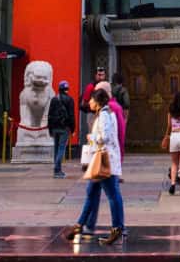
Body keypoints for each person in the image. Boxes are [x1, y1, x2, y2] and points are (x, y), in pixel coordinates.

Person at [71, 84, 125, 244]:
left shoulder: (105, 115)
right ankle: (79, 225)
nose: (90, 103)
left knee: (112, 195)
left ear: (98, 101)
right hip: (102, 160)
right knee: (92, 192)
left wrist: (92, 138)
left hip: (105, 161)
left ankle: (117, 228)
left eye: (92, 100)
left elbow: (105, 137)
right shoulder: (104, 113)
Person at [45, 80, 75, 181]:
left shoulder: (54, 99)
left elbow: (49, 115)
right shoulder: (70, 100)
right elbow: (71, 116)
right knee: (61, 149)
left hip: (54, 128)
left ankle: (57, 170)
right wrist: (73, 128)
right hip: (64, 128)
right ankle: (57, 170)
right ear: (67, 89)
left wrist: (49, 129)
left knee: (56, 149)